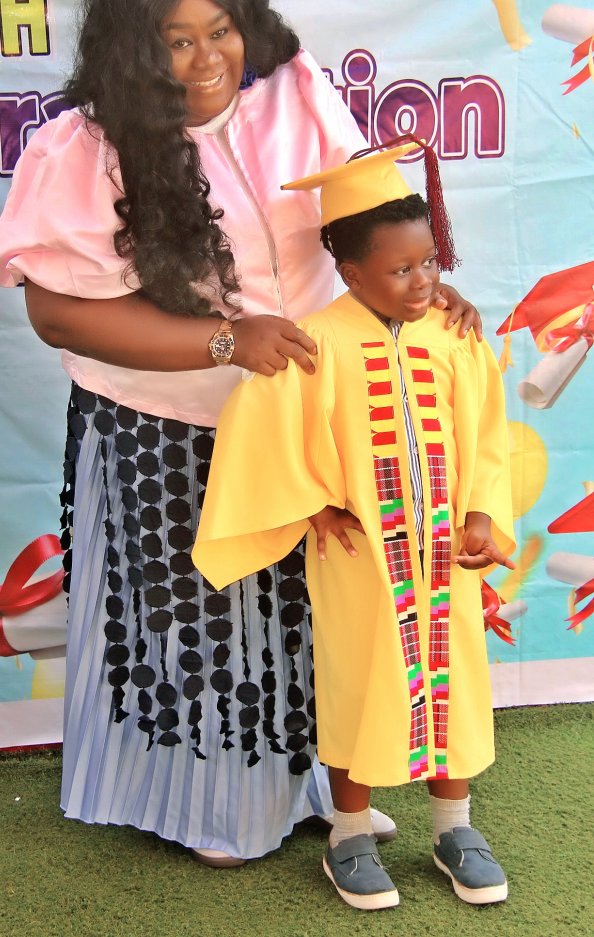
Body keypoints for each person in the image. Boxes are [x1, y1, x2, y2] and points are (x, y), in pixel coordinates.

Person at [0, 0, 482, 866]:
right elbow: (56, 315)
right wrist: (224, 340)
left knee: (318, 606)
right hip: (169, 423)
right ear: (133, 46)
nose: (206, 59)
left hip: (311, 412)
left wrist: (420, 284)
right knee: (205, 618)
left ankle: (320, 788)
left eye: (219, 30)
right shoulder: (86, 146)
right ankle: (215, 811)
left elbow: (366, 219)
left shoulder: (294, 89)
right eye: (175, 40)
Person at [193, 139, 515, 906]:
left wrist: (479, 512)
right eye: (400, 269)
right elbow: (261, 429)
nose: (422, 281)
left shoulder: (456, 335)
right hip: (359, 557)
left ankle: (454, 827)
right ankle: (348, 835)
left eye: (428, 262)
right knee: (357, 686)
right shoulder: (319, 342)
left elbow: (487, 433)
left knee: (452, 684)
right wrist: (311, 500)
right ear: (351, 272)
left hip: (442, 555)